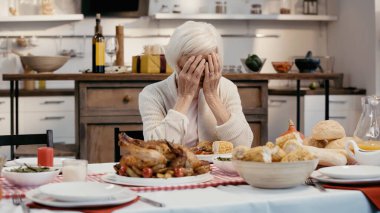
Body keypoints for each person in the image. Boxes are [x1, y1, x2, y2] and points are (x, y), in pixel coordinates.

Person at [139, 21, 253, 148]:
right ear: (177, 62)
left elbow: (243, 145)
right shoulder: (152, 94)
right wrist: (184, 97)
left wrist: (213, 97)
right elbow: (157, 149)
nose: (200, 71)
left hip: (217, 168)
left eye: (207, 62)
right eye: (194, 64)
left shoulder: (227, 88)